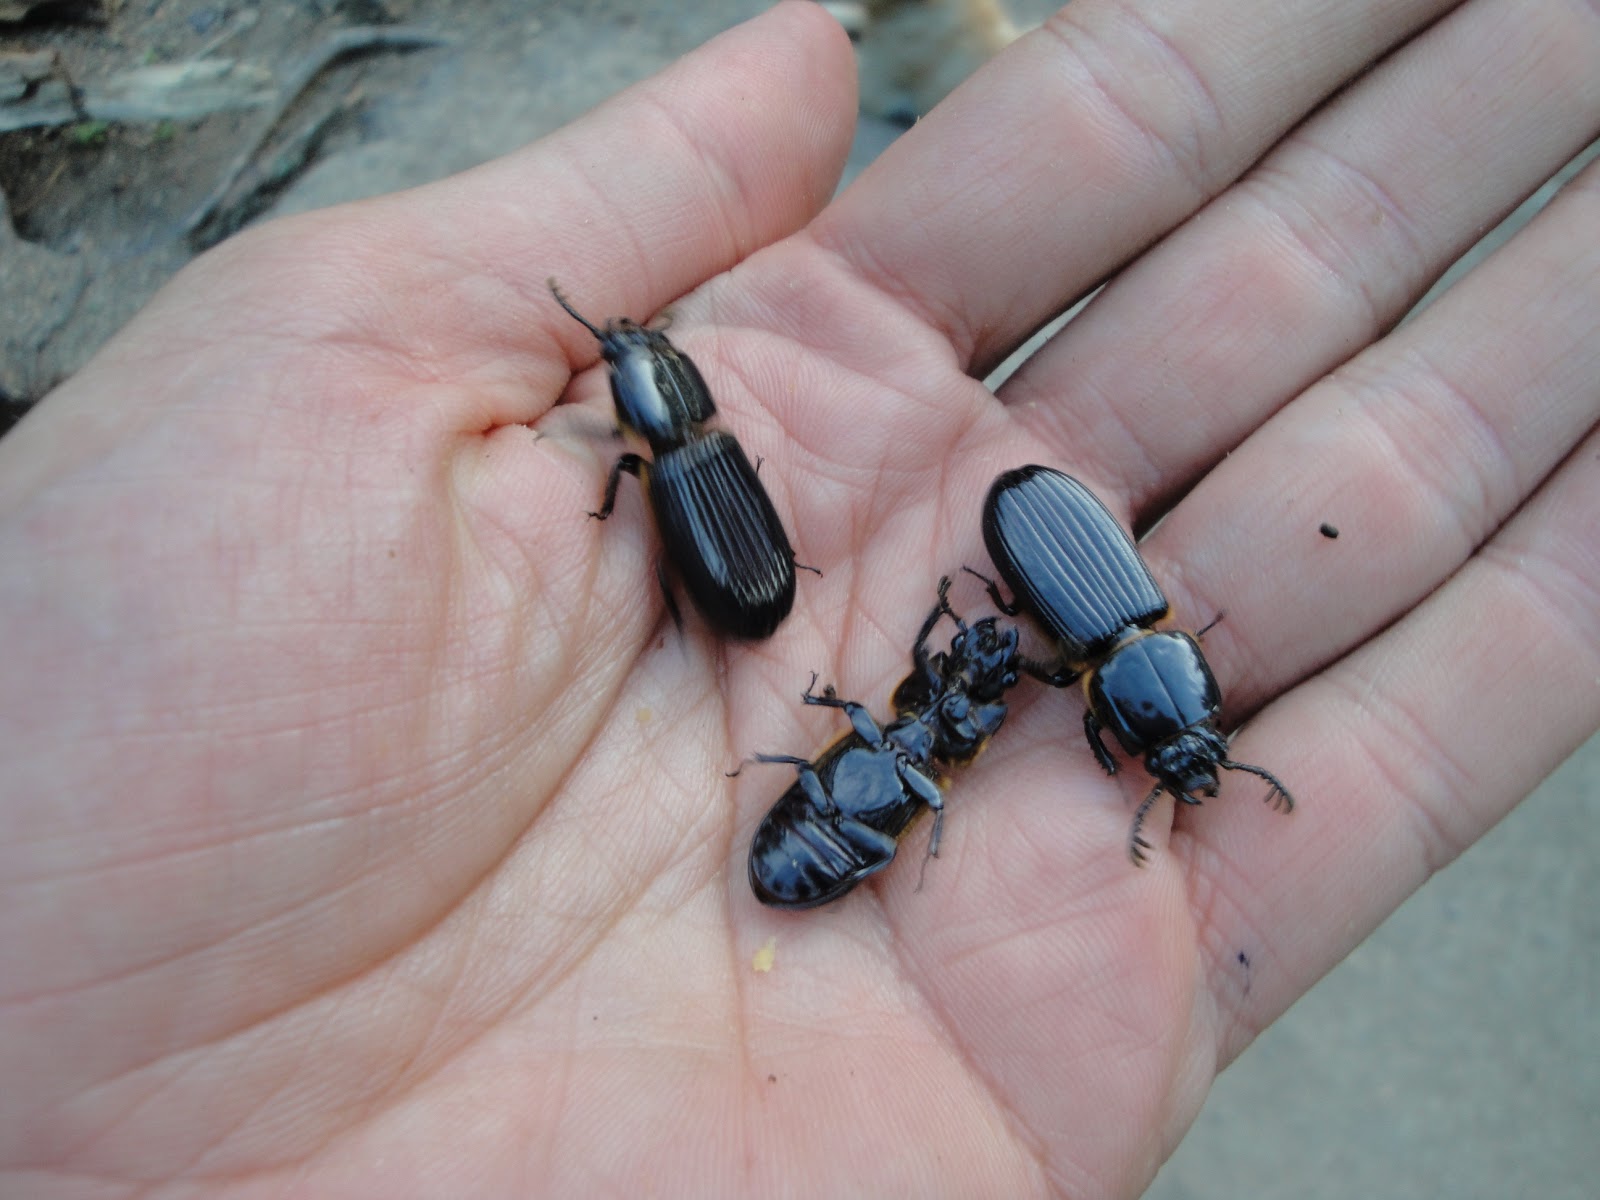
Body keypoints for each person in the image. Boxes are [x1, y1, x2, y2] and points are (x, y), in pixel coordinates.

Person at [2, 1, 1595, 1194]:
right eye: (1177, 735)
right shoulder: (1041, 663)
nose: (1174, 744)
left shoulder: (1055, 660)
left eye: (1175, 742)